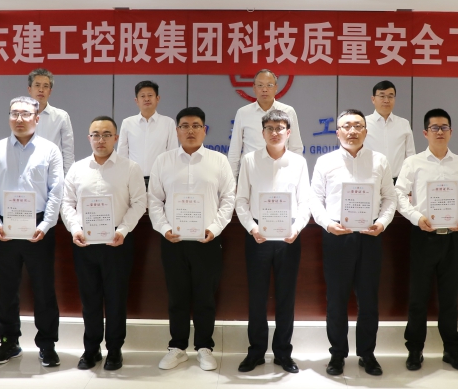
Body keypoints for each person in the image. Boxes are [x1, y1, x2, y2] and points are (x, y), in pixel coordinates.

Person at [310, 109, 397, 377]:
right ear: (337, 132)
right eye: (346, 126)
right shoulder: (325, 162)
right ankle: (337, 354)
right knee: (336, 300)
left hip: (370, 236)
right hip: (337, 236)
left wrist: (382, 223)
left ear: (365, 132)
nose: (352, 131)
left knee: (369, 300)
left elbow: (389, 198)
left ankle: (367, 354)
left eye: (358, 126)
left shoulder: (379, 161)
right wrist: (328, 224)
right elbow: (315, 199)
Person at [148, 107, 236, 371]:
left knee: (205, 296)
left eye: (196, 125)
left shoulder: (219, 161)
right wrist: (164, 228)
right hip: (172, 241)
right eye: (184, 126)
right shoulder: (163, 161)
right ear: (177, 131)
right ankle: (177, 347)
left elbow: (228, 199)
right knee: (177, 296)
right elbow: (154, 200)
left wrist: (214, 228)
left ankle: (204, 347)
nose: (190, 130)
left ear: (204, 130)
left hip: (206, 241)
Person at [395, 108, 458, 372]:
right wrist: (416, 217)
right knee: (418, 298)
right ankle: (415, 350)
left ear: (451, 132)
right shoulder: (413, 163)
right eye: (434, 127)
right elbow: (399, 195)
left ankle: (452, 350)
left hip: (453, 238)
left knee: (450, 299)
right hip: (424, 236)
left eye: (444, 127)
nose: (440, 132)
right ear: (425, 133)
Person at [0, 96, 64, 367]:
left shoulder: (50, 150)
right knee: (6, 289)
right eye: (14, 113)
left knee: (43, 288)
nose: (19, 119)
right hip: (5, 228)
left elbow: (56, 191)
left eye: (25, 114)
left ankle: (47, 344)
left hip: (39, 227)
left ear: (36, 119)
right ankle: (9, 342)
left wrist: (45, 224)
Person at [61, 116, 147, 371]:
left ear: (116, 138)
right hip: (85, 244)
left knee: (116, 299)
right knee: (90, 299)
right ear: (89, 138)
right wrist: (75, 229)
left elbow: (139, 203)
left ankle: (115, 350)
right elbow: (67, 203)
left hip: (117, 244)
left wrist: (123, 230)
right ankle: (91, 349)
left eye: (107, 134)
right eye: (96, 135)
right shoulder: (77, 169)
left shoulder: (130, 168)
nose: (101, 140)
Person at [235, 109, 311, 374]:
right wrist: (252, 228)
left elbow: (305, 202)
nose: (275, 132)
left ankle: (283, 353)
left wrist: (297, 228)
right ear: (262, 132)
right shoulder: (249, 160)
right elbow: (241, 200)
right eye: (270, 128)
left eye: (280, 128)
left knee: (285, 297)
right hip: (258, 236)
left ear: (288, 132)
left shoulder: (299, 162)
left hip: (289, 236)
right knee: (257, 297)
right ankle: (256, 352)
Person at [228, 69, 304, 179]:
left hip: (281, 173)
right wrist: (232, 181)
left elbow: (296, 148)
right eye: (260, 85)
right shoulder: (243, 113)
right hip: (251, 174)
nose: (264, 89)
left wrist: (296, 176)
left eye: (269, 85)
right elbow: (234, 152)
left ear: (276, 88)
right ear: (254, 88)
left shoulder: (288, 111)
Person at [116, 80, 179, 185]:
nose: (146, 99)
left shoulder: (168, 122)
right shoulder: (127, 123)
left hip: (160, 180)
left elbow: (173, 153)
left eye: (150, 95)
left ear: (157, 98)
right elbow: (122, 154)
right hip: (133, 180)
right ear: (136, 100)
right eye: (142, 96)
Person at [364, 80, 415, 181]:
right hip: (370, 180)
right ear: (373, 99)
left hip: (398, 181)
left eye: (390, 96)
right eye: (382, 96)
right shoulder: (363, 123)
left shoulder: (403, 123)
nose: (386, 100)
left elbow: (410, 156)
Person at [28, 68, 75, 174]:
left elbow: (68, 153)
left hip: (53, 174)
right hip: (27, 174)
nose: (41, 90)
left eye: (45, 86)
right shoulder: (21, 116)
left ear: (50, 91)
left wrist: (69, 179)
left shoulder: (61, 116)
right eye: (37, 85)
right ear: (29, 89)